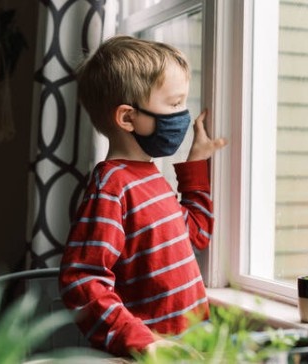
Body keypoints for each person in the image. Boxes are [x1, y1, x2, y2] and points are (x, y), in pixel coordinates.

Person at [58, 35, 227, 357]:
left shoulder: (150, 176)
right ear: (127, 118)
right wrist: (143, 342)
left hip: (192, 348)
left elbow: (196, 235)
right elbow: (81, 280)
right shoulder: (112, 187)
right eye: (174, 104)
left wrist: (195, 164)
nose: (184, 116)